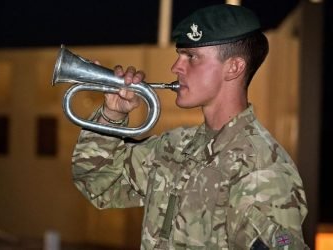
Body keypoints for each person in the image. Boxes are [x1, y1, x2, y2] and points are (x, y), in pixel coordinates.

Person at [71, 4, 308, 249]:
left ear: (234, 67)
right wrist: (112, 114)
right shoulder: (175, 147)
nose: (176, 67)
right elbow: (98, 184)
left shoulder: (262, 170)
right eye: (179, 55)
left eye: (191, 57)